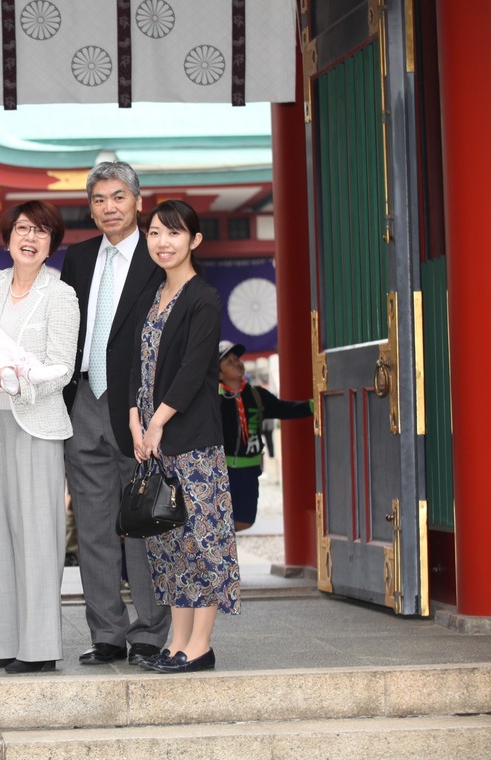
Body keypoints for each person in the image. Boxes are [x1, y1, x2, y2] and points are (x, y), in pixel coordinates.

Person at [60, 161, 170, 668]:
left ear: (137, 202)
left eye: (119, 196)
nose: (109, 207)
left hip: (138, 405)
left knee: (143, 519)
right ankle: (106, 632)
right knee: (94, 522)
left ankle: (149, 629)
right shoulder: (79, 258)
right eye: (99, 199)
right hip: (83, 398)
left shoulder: (159, 254)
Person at [0, 201, 80, 674]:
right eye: (22, 229)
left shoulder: (61, 294)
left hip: (35, 420)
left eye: (41, 231)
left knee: (37, 533)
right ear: (8, 236)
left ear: (52, 242)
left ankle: (38, 648)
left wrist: (18, 380)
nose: (30, 238)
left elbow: (63, 366)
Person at [128, 199, 241, 674]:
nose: (163, 242)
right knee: (169, 542)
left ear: (194, 240)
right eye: (154, 232)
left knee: (203, 539)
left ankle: (201, 646)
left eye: (173, 233)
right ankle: (177, 642)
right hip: (153, 442)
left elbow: (196, 370)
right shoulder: (152, 296)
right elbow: (136, 366)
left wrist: (157, 421)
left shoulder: (203, 298)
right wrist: (136, 418)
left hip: (190, 438)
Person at [218, 340, 312, 531]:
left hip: (249, 468)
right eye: (228, 361)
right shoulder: (214, 399)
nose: (236, 361)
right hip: (221, 470)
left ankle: (219, 546)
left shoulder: (256, 394)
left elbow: (284, 409)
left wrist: (314, 404)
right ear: (218, 373)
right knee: (220, 518)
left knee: (245, 520)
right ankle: (219, 554)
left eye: (236, 357)